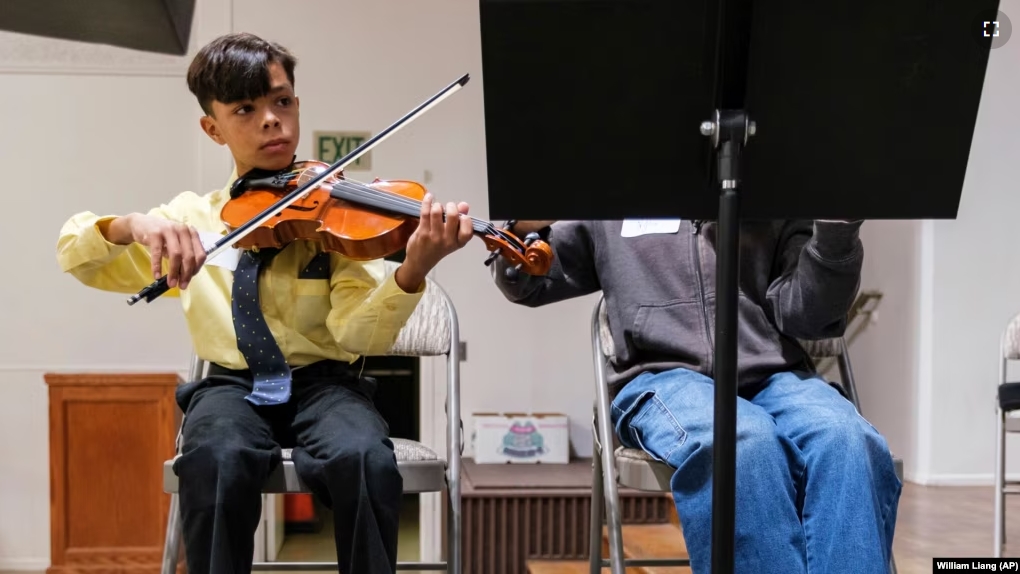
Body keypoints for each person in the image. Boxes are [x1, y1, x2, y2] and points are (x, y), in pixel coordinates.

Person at [56, 32, 474, 574]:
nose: (271, 120)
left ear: (297, 106)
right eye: (245, 109)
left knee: (366, 458)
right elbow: (76, 255)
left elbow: (356, 336)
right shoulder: (191, 221)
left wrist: (413, 270)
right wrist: (133, 226)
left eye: (281, 102)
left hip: (327, 384)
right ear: (213, 128)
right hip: (230, 385)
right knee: (214, 460)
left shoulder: (337, 210)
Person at [489, 218, 901, 573]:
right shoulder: (619, 185)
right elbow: (528, 281)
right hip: (663, 377)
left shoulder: (770, 181)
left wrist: (836, 235)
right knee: (740, 440)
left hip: (774, 374)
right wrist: (520, 228)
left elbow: (809, 317)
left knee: (848, 439)